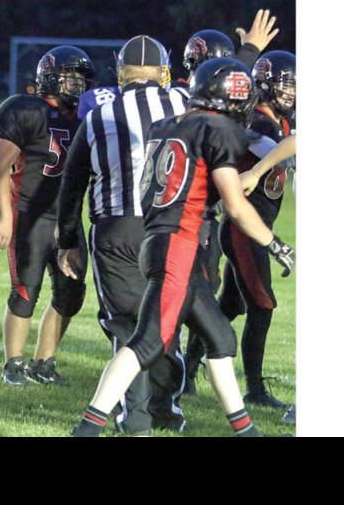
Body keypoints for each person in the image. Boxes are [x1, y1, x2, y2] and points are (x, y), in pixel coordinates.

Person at [70, 57, 295, 437]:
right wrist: (274, 243)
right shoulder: (218, 127)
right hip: (179, 244)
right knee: (148, 341)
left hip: (161, 239)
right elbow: (235, 204)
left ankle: (246, 430)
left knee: (221, 337)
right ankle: (87, 428)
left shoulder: (167, 125)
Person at [57, 35, 189, 434]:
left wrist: (69, 241)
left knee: (127, 326)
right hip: (174, 227)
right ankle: (166, 411)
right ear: (162, 71)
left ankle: (137, 418)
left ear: (121, 72)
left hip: (117, 228)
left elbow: (72, 184)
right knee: (165, 323)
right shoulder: (185, 103)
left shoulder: (98, 115)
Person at [185, 51, 297, 410]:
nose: (292, 93)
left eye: (295, 87)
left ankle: (186, 372)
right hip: (243, 228)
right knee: (262, 305)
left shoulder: (278, 121)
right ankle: (254, 389)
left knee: (229, 306)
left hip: (255, 224)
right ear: (265, 83)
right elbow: (287, 153)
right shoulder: (258, 121)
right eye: (286, 85)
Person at [0, 46, 92, 386]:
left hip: (67, 218)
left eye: (81, 78)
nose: (77, 84)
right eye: (71, 76)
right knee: (25, 290)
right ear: (50, 76)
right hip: (29, 214)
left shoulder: (85, 117)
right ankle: (12, 365)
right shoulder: (27, 110)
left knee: (71, 292)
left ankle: (43, 363)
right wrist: (5, 217)